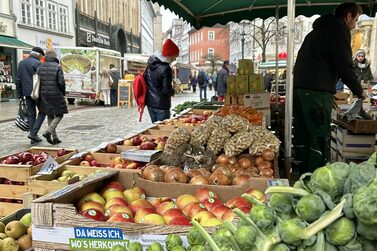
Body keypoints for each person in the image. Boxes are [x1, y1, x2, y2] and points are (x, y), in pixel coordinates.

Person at [293, 2, 367, 174]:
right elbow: (344, 65)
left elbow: (314, 64)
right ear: (348, 16)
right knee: (319, 138)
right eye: (355, 20)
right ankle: (315, 178)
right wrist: (359, 91)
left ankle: (301, 175)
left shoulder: (314, 33)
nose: (355, 24)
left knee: (304, 136)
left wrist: (326, 90)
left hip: (300, 91)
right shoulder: (339, 31)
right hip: (315, 93)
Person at [15, 47, 46, 144]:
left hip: (26, 93)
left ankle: (33, 138)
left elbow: (18, 81)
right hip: (37, 93)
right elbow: (42, 80)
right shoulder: (38, 64)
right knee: (43, 111)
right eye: (41, 56)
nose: (41, 58)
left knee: (31, 114)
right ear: (38, 55)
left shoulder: (21, 63)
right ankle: (33, 133)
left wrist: (20, 95)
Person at [38, 49, 68, 145]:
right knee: (59, 114)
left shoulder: (40, 67)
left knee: (50, 114)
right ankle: (48, 132)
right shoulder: (57, 67)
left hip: (43, 94)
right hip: (55, 94)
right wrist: (63, 92)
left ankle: (54, 138)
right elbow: (61, 82)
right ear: (54, 57)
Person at [145, 38, 178, 123]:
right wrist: (173, 91)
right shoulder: (166, 68)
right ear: (170, 55)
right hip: (161, 105)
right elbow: (166, 90)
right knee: (164, 131)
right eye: (175, 56)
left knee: (156, 130)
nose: (175, 59)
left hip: (150, 104)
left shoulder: (149, 65)